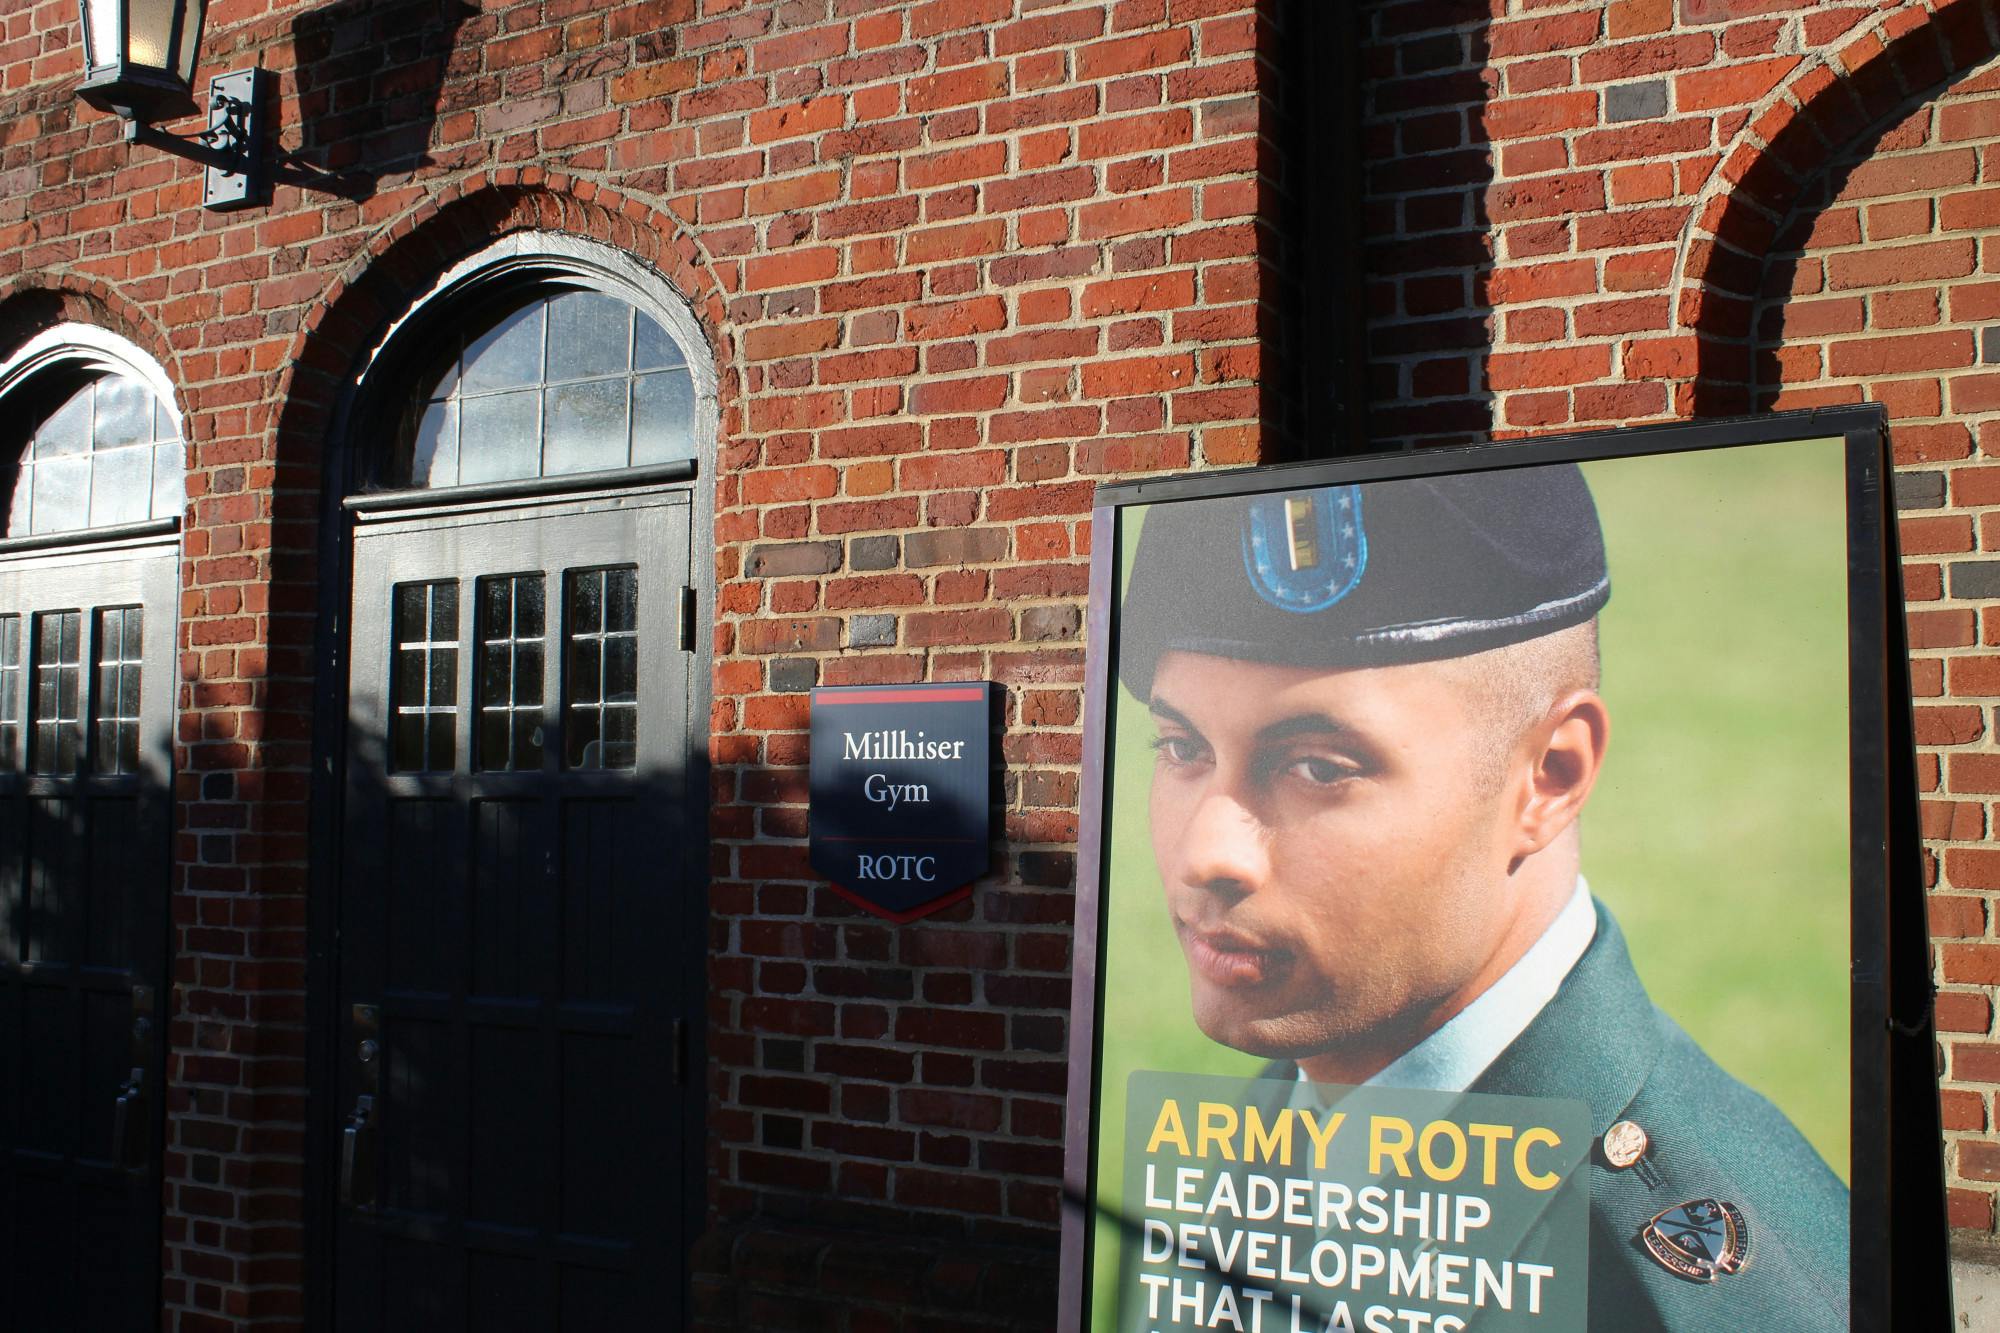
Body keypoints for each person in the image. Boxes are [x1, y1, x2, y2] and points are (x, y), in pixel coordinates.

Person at [1116, 465, 1849, 1331]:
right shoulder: (1261, 1127)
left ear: (1549, 776)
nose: (1207, 853)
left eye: (1318, 766)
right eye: (1181, 747)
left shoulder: (1678, 1299)